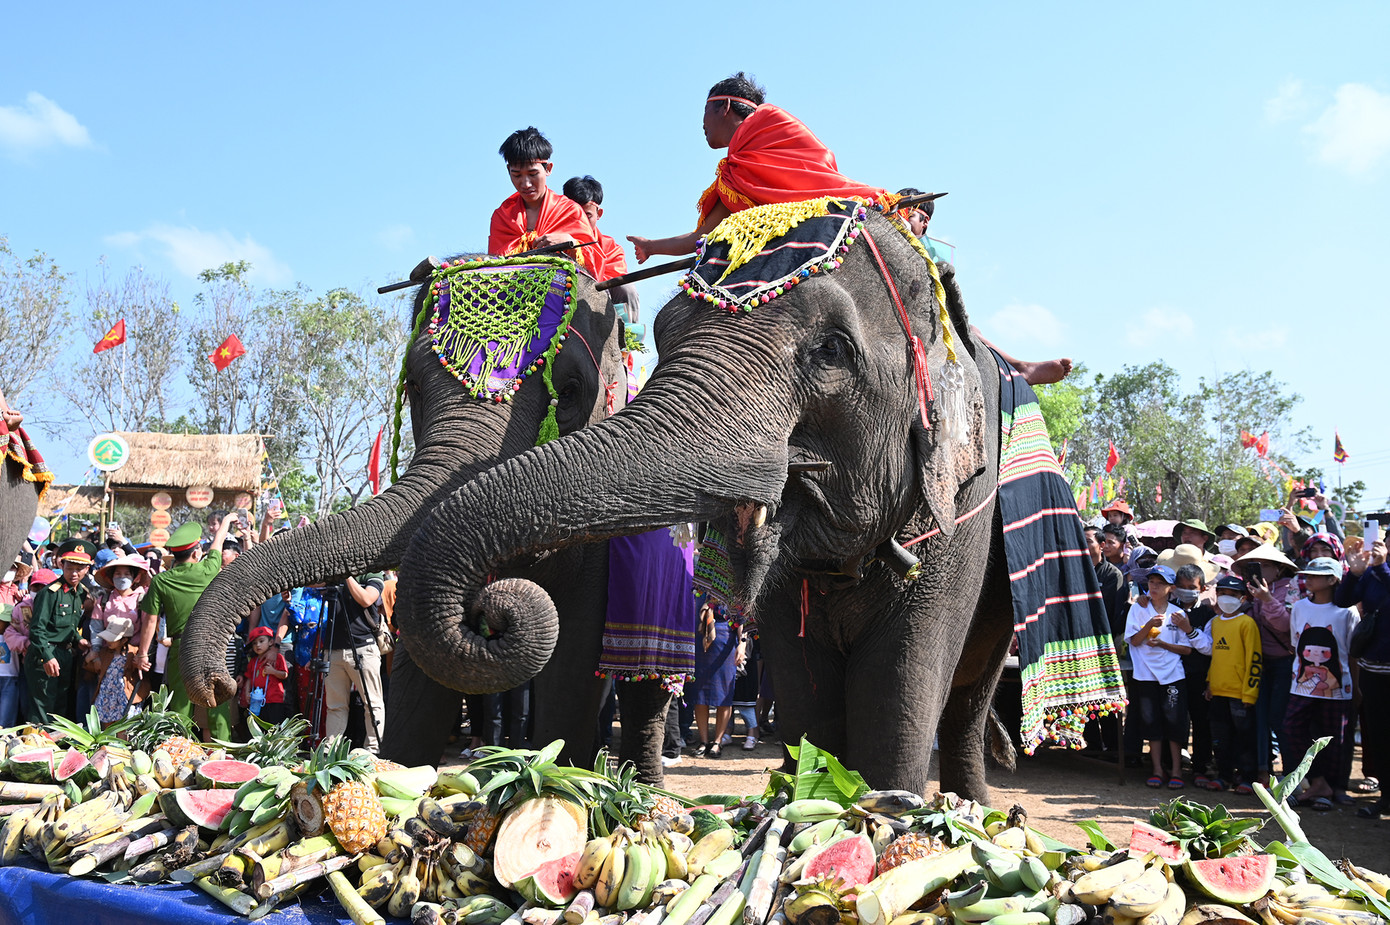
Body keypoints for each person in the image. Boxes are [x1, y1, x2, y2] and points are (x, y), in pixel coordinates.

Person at [133, 516, 237, 739]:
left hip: (182, 647)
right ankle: (223, 751)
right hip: (213, 646)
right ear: (197, 553)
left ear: (175, 555)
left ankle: (177, 751)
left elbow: (149, 621)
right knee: (217, 701)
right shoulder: (208, 570)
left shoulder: (161, 581)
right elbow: (217, 544)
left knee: (180, 703)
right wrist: (227, 520)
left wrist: (142, 654)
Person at [1284, 557, 1359, 810]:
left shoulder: (1347, 611)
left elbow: (1352, 652)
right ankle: (1317, 782)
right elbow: (1296, 645)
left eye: (1316, 575)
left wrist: (1355, 687)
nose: (1309, 579)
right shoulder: (1299, 607)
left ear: (1332, 580)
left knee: (1334, 740)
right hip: (1300, 686)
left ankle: (1328, 789)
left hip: (1339, 689)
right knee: (1292, 728)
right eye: (1308, 575)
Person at [1124, 565, 1193, 789]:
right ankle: (1156, 769)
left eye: (1160, 583)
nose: (1154, 586)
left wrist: (1163, 643)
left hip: (1173, 676)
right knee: (1151, 723)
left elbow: (1187, 649)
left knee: (1174, 724)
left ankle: (1176, 770)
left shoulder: (1177, 614)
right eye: (1152, 582)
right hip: (1144, 676)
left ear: (1171, 588)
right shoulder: (1138, 609)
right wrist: (1149, 625)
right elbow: (1134, 640)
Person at [1192, 575, 1261, 793]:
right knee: (1221, 738)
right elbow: (1215, 657)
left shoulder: (1247, 623)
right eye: (1222, 593)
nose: (1226, 598)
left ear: (1243, 599)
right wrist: (1210, 683)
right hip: (1218, 691)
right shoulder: (1216, 623)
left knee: (1245, 738)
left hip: (1240, 693)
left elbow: (1254, 659)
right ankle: (1224, 775)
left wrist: (1250, 693)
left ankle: (1248, 778)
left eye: (1232, 595)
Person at [488, 127, 595, 262]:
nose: (525, 184)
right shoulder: (503, 216)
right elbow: (493, 265)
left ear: (548, 169)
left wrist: (571, 243)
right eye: (517, 175)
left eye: (533, 174)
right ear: (508, 170)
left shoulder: (569, 210)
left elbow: (594, 262)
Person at [1239, 544, 1299, 783]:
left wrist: (1267, 600)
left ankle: (1291, 773)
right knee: (1260, 717)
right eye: (1255, 566)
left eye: (1265, 566)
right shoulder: (1251, 592)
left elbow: (1286, 625)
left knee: (1280, 718)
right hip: (1259, 662)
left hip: (1285, 662)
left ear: (1279, 568)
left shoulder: (1292, 589)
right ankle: (1263, 771)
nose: (1260, 571)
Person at [1339, 536, 1389, 818]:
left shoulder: (1380, 570)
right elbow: (1342, 600)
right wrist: (1355, 572)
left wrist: (1381, 568)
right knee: (1379, 735)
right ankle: (1386, 797)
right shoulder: (1372, 571)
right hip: (1373, 669)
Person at [24, 538, 96, 722]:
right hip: (45, 653)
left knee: (60, 706)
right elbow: (37, 629)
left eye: (79, 568)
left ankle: (55, 747)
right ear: (61, 564)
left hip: (65, 654)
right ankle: (37, 745)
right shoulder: (49, 593)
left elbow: (70, 625)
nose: (74, 573)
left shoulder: (80, 592)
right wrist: (47, 656)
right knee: (43, 707)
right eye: (70, 567)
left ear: (86, 569)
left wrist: (78, 638)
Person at [321, 574, 386, 754]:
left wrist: (347, 575)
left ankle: (374, 750)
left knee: (372, 703)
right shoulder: (333, 574)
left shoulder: (372, 574)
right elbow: (312, 583)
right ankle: (330, 751)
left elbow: (366, 599)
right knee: (335, 705)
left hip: (363, 648)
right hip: (333, 649)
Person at [88, 553, 150, 726]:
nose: (122, 578)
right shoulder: (104, 600)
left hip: (133, 656)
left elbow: (148, 627)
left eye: (126, 574)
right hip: (108, 655)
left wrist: (143, 654)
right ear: (111, 577)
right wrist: (96, 652)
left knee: (130, 697)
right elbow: (96, 627)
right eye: (118, 574)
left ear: (135, 577)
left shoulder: (141, 599)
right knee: (105, 697)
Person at [689, 594, 742, 758]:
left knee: (724, 692)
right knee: (700, 693)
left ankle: (717, 742)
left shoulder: (733, 585)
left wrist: (742, 643)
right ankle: (704, 741)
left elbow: (741, 617)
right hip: (699, 638)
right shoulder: (699, 583)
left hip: (725, 639)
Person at [240, 626, 289, 724]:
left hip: (274, 700)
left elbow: (285, 674)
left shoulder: (278, 658)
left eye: (261, 641)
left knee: (274, 727)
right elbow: (249, 677)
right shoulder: (253, 661)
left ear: (271, 642)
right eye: (254, 643)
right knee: (259, 726)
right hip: (257, 701)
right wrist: (246, 693)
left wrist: (273, 671)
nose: (258, 645)